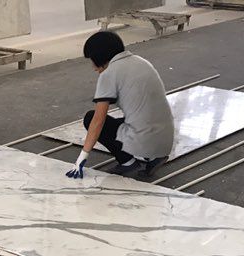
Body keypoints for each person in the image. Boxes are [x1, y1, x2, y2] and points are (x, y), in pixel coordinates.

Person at [66, 31, 174, 179]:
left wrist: (82, 157)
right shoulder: (141, 61)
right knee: (138, 120)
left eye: (92, 60)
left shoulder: (109, 74)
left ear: (100, 57)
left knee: (90, 118)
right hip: (165, 137)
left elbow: (98, 120)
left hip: (145, 138)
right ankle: (153, 157)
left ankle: (127, 162)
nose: (93, 67)